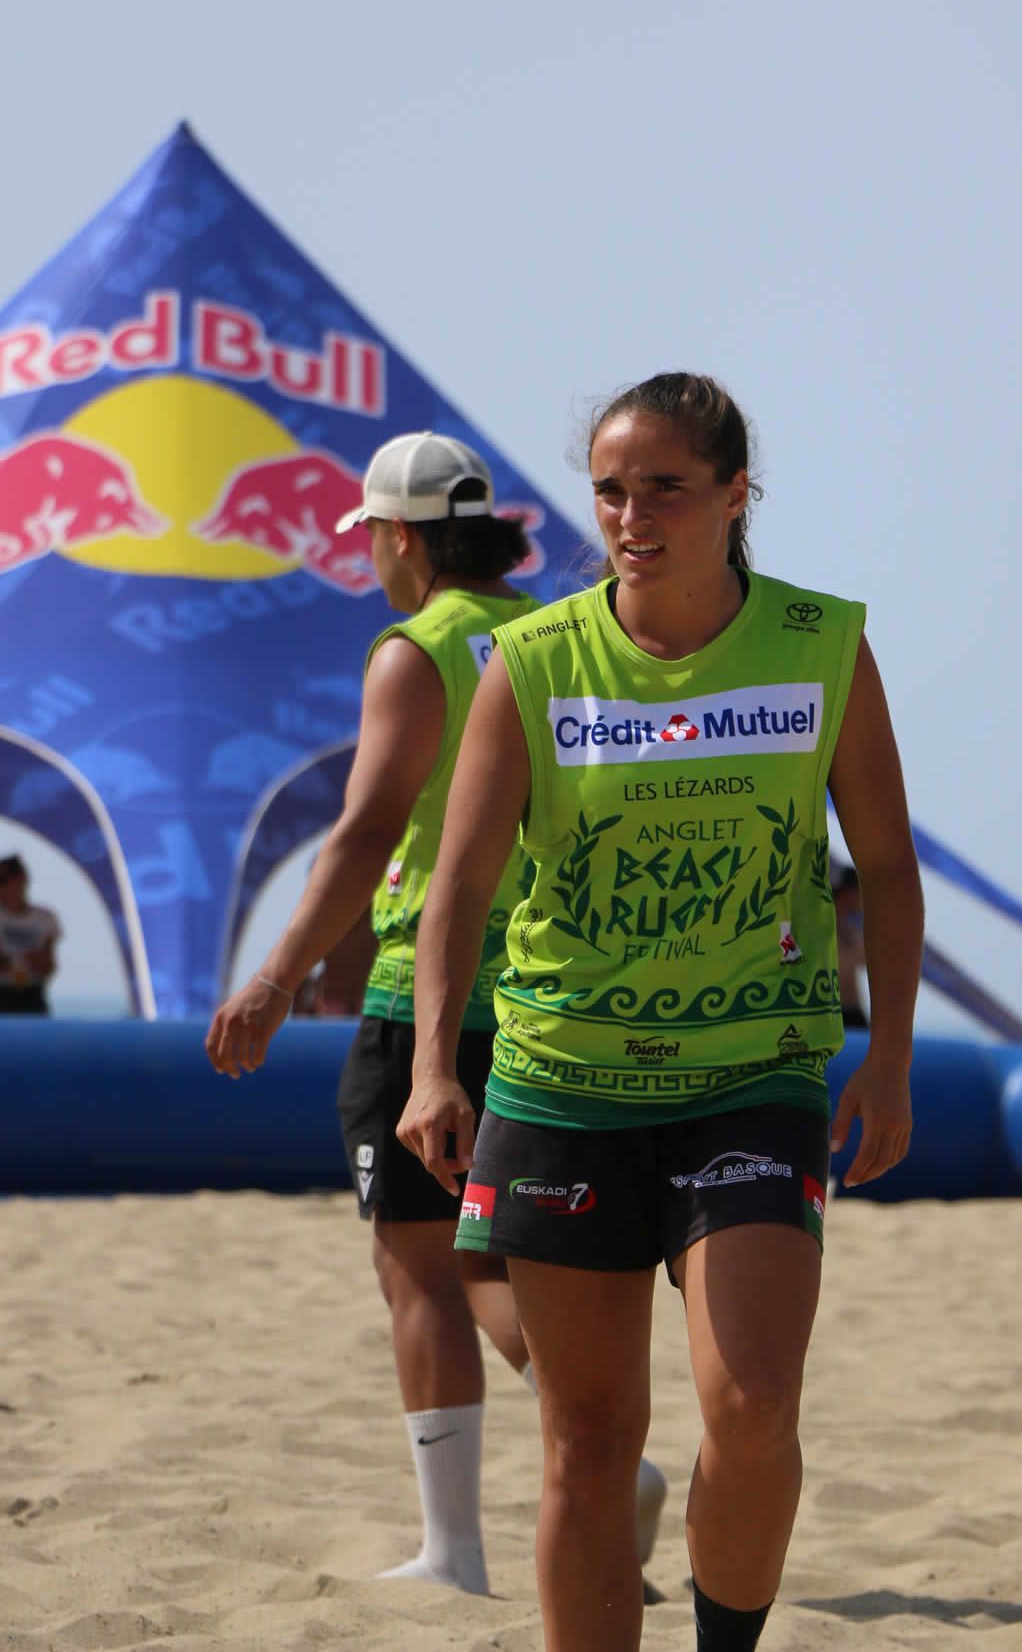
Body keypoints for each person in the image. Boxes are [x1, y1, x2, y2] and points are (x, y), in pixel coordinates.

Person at [398, 371, 923, 1652]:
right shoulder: (533, 661)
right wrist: (432, 1065)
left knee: (752, 1407)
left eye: (666, 488)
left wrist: (891, 1057)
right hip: (561, 1081)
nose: (632, 516)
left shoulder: (820, 644)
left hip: (754, 1075)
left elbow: (888, 865)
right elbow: (458, 881)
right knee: (587, 1440)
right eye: (611, 491)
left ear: (737, 492)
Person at [205, 432, 666, 1594]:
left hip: (430, 992)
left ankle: (456, 1549)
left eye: (371, 534)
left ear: (402, 536)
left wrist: (274, 977)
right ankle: (608, 1454)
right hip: (547, 992)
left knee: (420, 1262)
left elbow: (367, 828)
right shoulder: (555, 636)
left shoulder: (418, 650)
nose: (370, 555)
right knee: (495, 1252)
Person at [0, 853, 62, 1016]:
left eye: (2, 880)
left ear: (21, 880)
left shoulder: (44, 918)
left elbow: (48, 966)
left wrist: (36, 962)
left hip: (32, 996)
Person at [830, 860, 868, 1029]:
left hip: (851, 1013)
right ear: (850, 893)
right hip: (832, 1014)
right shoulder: (821, 928)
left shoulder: (850, 930)